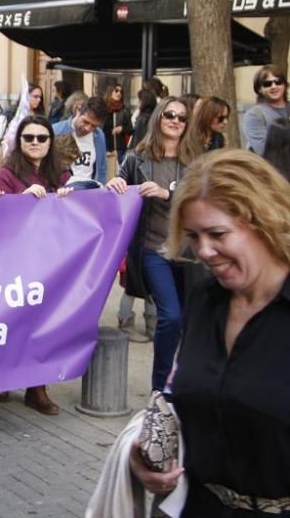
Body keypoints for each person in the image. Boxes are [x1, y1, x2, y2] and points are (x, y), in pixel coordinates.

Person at [128, 149, 290, 515]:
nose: (204, 251)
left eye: (217, 234)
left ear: (264, 221)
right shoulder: (204, 298)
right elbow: (181, 394)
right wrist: (143, 457)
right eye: (192, 236)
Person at [106, 97, 191, 392]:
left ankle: (185, 382)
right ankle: (160, 391)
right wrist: (114, 185)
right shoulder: (137, 157)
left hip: (189, 252)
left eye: (182, 117)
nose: (175, 121)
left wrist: (168, 194)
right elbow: (118, 187)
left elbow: (204, 199)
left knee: (190, 320)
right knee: (171, 315)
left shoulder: (196, 159)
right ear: (158, 117)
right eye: (169, 114)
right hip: (153, 249)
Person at [0, 115, 70, 414]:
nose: (35, 143)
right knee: (12, 321)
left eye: (42, 138)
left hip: (50, 259)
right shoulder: (5, 175)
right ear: (19, 142)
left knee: (43, 324)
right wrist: (20, 200)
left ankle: (37, 387)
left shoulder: (61, 174)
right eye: (29, 138)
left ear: (50, 142)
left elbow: (76, 213)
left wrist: (68, 196)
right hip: (15, 261)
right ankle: (2, 376)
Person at [53, 95, 109, 185]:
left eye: (94, 126)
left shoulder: (99, 136)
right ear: (77, 111)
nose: (88, 128)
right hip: (61, 191)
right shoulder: (56, 131)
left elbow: (102, 169)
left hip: (89, 192)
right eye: (85, 121)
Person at [0, 84, 45, 166]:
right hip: (9, 154)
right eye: (35, 97)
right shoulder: (11, 112)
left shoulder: (40, 116)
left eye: (40, 97)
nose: (39, 100)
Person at [242, 65, 288, 154]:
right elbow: (264, 152)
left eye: (278, 82)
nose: (274, 86)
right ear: (259, 89)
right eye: (267, 84)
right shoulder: (255, 115)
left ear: (285, 85)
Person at [102, 83, 133, 175]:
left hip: (119, 148)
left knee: (119, 173)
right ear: (110, 92)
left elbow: (130, 129)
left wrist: (122, 129)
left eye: (121, 91)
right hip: (105, 146)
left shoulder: (124, 110)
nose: (119, 93)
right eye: (116, 90)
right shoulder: (103, 109)